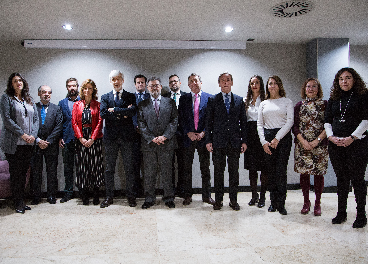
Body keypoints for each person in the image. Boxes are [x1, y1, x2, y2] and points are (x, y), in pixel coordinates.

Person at [324, 67, 368, 228]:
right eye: (341, 79)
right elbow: (327, 120)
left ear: (354, 80)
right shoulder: (334, 98)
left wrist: (352, 137)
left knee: (357, 180)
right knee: (341, 179)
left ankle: (361, 215)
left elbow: (366, 120)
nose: (344, 81)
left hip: (357, 144)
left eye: (348, 78)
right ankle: (341, 213)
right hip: (336, 144)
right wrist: (330, 136)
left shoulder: (363, 96)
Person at [206, 72, 247, 211]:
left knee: (233, 172)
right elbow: (208, 122)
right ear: (219, 83)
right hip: (218, 142)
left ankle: (233, 200)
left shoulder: (239, 100)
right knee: (218, 172)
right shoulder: (213, 100)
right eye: (222, 80)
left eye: (228, 80)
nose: (225, 82)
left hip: (235, 142)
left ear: (232, 82)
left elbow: (243, 123)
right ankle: (218, 201)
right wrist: (208, 141)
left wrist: (244, 141)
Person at [0, 73, 39, 213]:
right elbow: (7, 120)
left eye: (20, 80)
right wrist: (22, 134)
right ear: (11, 84)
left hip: (28, 144)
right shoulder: (6, 98)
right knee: (15, 174)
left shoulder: (29, 99)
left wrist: (32, 136)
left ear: (23, 82)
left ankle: (21, 200)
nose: (18, 83)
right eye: (15, 81)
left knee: (24, 174)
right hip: (14, 143)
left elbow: (36, 120)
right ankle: (17, 202)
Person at [138, 77, 178, 209]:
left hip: (166, 144)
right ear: (148, 88)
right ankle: (149, 199)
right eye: (151, 86)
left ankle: (169, 198)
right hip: (149, 145)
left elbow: (174, 121)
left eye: (156, 85)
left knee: (167, 172)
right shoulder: (142, 105)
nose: (154, 88)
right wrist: (151, 138)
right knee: (149, 173)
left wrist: (165, 136)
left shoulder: (170, 102)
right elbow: (141, 124)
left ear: (161, 87)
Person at [100, 70, 137, 208]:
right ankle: (109, 197)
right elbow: (103, 113)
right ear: (110, 81)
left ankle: (131, 197)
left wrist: (114, 110)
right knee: (109, 169)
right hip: (111, 138)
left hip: (127, 138)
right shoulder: (105, 97)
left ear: (123, 80)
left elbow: (132, 111)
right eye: (113, 79)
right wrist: (123, 112)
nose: (116, 82)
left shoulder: (130, 96)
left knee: (129, 169)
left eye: (119, 79)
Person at [257, 75, 293, 215]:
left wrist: (277, 138)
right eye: (270, 83)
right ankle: (272, 202)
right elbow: (259, 124)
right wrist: (264, 142)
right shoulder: (263, 103)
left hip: (283, 139)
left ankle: (281, 203)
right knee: (270, 172)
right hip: (267, 138)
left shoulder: (287, 102)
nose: (272, 86)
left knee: (281, 172)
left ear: (279, 85)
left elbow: (290, 121)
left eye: (275, 83)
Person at [292, 78, 327, 216]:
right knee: (304, 174)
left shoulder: (325, 104)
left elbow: (329, 124)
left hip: (320, 145)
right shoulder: (299, 105)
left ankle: (317, 203)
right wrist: (303, 141)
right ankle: (306, 202)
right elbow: (294, 126)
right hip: (302, 146)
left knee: (318, 174)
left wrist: (317, 140)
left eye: (314, 86)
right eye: (308, 86)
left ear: (318, 89)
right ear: (304, 89)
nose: (311, 89)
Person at [179, 73, 215, 206]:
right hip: (188, 138)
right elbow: (180, 118)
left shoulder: (210, 98)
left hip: (203, 138)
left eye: (196, 81)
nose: (193, 83)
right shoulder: (184, 99)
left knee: (205, 168)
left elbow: (211, 118)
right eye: (191, 81)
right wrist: (188, 132)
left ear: (201, 82)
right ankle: (187, 195)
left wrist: (204, 132)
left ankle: (207, 196)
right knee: (186, 169)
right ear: (188, 85)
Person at [72, 79, 104, 205]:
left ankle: (96, 194)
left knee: (95, 166)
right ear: (82, 90)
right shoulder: (77, 105)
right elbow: (74, 122)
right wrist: (81, 138)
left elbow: (100, 122)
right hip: (81, 139)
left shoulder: (98, 105)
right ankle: (84, 195)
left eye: (89, 88)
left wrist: (92, 138)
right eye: (85, 88)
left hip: (94, 139)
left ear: (93, 90)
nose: (87, 90)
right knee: (83, 167)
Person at [31, 85, 63, 205]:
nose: (46, 94)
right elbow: (29, 125)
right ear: (39, 94)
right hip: (35, 144)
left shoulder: (56, 108)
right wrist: (38, 140)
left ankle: (51, 196)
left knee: (52, 171)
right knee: (36, 171)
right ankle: (36, 197)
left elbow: (59, 126)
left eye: (49, 92)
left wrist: (48, 141)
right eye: (44, 92)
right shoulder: (33, 107)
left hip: (51, 145)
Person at [244, 75, 267, 208]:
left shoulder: (266, 99)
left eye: (257, 83)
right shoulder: (245, 100)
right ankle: (254, 195)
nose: (254, 85)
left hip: (262, 135)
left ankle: (263, 196)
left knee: (264, 168)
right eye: (252, 83)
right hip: (250, 136)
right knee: (252, 169)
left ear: (261, 84)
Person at [163, 74, 186, 197]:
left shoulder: (186, 97)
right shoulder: (164, 97)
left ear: (180, 83)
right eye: (171, 82)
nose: (173, 84)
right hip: (168, 135)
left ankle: (182, 190)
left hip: (183, 135)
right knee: (168, 164)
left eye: (175, 81)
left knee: (183, 164)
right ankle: (170, 191)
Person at [58, 77, 80, 203]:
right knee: (68, 167)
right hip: (66, 139)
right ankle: (68, 192)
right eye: (69, 86)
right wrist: (60, 137)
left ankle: (83, 191)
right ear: (67, 87)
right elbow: (60, 122)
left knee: (82, 166)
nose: (72, 88)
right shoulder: (61, 103)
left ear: (77, 87)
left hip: (81, 139)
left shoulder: (83, 101)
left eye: (74, 85)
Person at [132, 74, 149, 197]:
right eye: (138, 82)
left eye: (142, 82)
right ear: (135, 84)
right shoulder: (130, 98)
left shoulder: (150, 97)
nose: (140, 84)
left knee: (148, 164)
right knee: (134, 164)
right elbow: (129, 114)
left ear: (146, 85)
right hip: (133, 134)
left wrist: (144, 129)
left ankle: (147, 191)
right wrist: (136, 126)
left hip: (147, 135)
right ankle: (137, 190)